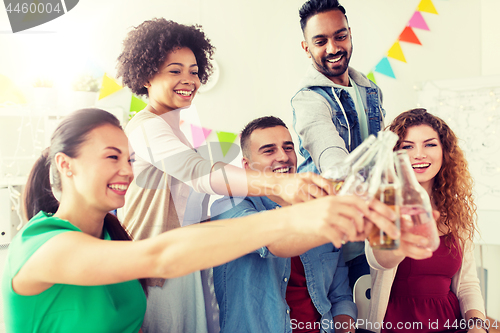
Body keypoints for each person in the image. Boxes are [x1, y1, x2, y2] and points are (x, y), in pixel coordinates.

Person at [2, 108, 382, 333]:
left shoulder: (113, 240)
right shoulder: (41, 247)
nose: (127, 171)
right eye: (111, 157)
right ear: (65, 165)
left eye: (130, 159)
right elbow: (161, 257)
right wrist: (302, 216)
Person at [116, 18, 337, 333]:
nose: (188, 80)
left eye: (194, 71)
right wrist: (282, 185)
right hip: (154, 273)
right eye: (174, 70)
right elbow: (199, 173)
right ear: (147, 74)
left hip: (183, 266)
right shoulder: (146, 127)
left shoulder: (180, 132)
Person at [210, 116, 399, 333]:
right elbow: (272, 242)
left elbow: (340, 297)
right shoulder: (229, 206)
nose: (283, 156)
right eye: (269, 150)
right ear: (246, 165)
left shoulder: (322, 204)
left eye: (288, 148)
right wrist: (334, 221)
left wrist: (346, 329)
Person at [291, 0, 386, 289]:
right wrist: (344, 176)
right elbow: (329, 152)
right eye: (320, 41)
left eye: (340, 36)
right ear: (306, 48)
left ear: (350, 34)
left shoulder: (370, 90)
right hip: (329, 244)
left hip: (374, 236)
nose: (333, 48)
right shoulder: (308, 99)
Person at [365, 109, 487, 333]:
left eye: (430, 144)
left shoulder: (455, 209)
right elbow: (379, 261)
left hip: (451, 324)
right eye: (407, 147)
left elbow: (468, 284)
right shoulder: (384, 202)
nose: (418, 154)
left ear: (445, 152)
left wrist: (477, 324)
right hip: (396, 326)